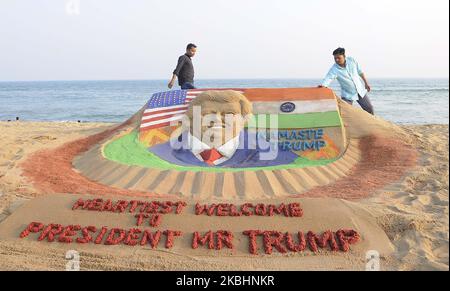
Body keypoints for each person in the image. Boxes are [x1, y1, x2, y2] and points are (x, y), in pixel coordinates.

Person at [148, 90, 298, 167]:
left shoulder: (277, 156)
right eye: (207, 114)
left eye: (230, 113)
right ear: (191, 119)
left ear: (244, 120)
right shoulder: (159, 153)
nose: (217, 119)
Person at [319, 48, 374, 115]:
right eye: (335, 58)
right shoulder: (334, 69)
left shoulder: (352, 60)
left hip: (360, 90)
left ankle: (374, 123)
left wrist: (366, 83)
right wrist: (323, 85)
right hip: (347, 94)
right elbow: (328, 78)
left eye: (339, 58)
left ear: (344, 56)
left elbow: (360, 72)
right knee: (344, 112)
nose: (337, 60)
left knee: (369, 108)